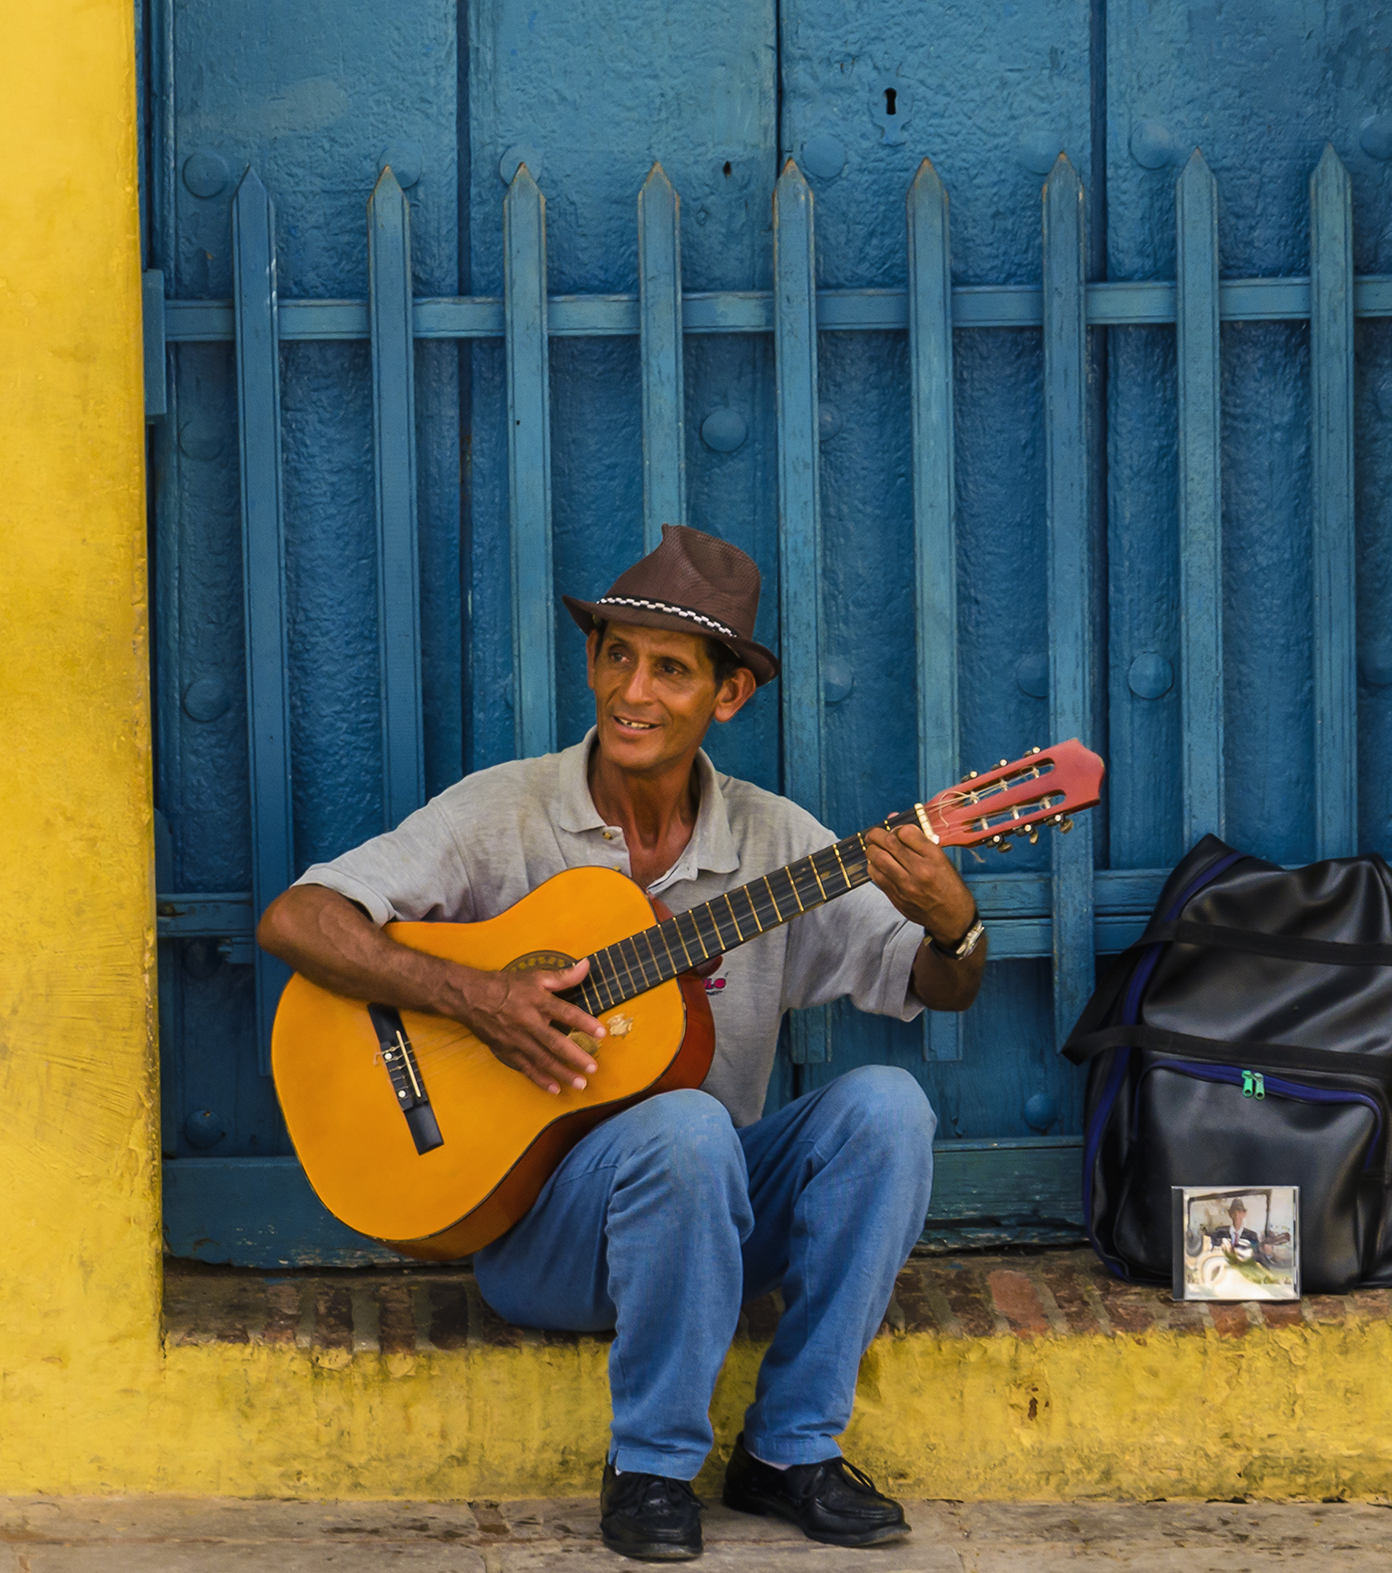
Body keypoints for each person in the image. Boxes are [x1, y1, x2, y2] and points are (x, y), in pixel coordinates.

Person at [257, 525, 989, 1562]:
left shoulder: (775, 843)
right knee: (682, 1123)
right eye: (615, 654)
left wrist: (954, 921)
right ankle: (649, 1465)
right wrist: (471, 995)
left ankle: (788, 1447)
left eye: (670, 668)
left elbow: (933, 982)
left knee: (889, 1109)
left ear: (727, 696)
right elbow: (297, 919)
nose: (630, 690)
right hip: (545, 1238)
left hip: (715, 1219)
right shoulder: (504, 812)